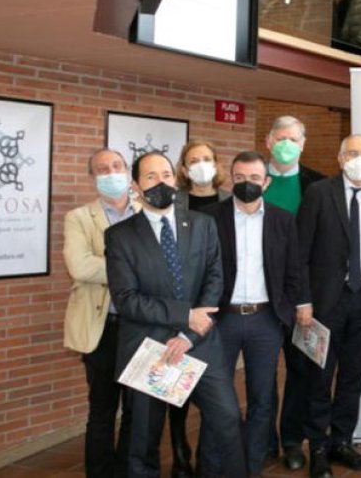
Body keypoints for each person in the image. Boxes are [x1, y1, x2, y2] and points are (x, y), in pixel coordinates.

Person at [105, 152, 247, 478]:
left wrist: (189, 334)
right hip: (148, 346)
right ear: (136, 186)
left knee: (227, 418)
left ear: (176, 179)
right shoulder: (120, 236)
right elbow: (127, 299)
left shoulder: (202, 224)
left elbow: (215, 282)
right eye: (151, 177)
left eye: (166, 175)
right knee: (143, 436)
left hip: (199, 342)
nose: (161, 183)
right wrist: (185, 316)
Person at [197, 151, 308, 478]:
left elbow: (293, 272)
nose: (248, 184)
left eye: (255, 178)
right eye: (241, 178)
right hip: (221, 320)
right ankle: (211, 468)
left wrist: (283, 314)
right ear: (231, 179)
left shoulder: (282, 220)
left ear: (267, 181)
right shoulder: (208, 218)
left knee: (262, 400)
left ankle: (251, 466)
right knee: (216, 399)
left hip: (265, 321)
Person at [298, 136, 361, 478]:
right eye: (352, 153)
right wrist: (303, 300)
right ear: (340, 159)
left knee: (354, 374)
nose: (359, 159)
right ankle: (319, 447)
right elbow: (301, 251)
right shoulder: (318, 193)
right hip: (324, 301)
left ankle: (343, 441)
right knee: (319, 376)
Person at [63, 148, 137, 478]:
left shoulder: (146, 213)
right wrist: (135, 267)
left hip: (141, 327)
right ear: (93, 177)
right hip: (103, 327)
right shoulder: (79, 217)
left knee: (139, 410)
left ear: (128, 170)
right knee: (103, 410)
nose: (111, 173)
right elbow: (79, 266)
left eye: (116, 166)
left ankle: (129, 469)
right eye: (102, 169)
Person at [262, 115, 324, 471]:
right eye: (280, 137)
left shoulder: (317, 183)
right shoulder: (256, 179)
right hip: (260, 297)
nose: (286, 143)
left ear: (303, 143)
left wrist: (308, 296)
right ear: (269, 142)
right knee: (262, 373)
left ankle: (291, 440)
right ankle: (264, 440)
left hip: (303, 299)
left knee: (300, 371)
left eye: (293, 138)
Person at [174, 139, 230, 212]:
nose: (201, 166)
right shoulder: (174, 199)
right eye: (193, 161)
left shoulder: (230, 200)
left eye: (207, 159)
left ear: (215, 166)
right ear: (185, 171)